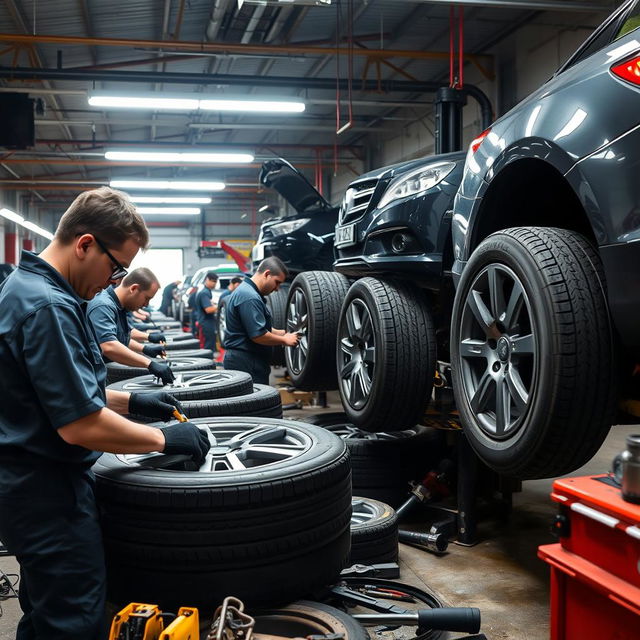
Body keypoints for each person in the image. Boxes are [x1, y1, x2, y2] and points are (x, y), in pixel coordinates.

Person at [0, 186, 210, 640]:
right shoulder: (49, 307)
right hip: (47, 495)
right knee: (74, 620)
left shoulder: (28, 289)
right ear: (85, 244)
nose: (114, 282)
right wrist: (163, 439)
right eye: (116, 268)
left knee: (44, 611)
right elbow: (79, 424)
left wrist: (135, 402)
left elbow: (56, 392)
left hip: (27, 489)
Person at [87, 267, 174, 384]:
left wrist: (146, 349)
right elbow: (109, 346)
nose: (146, 304)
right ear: (134, 288)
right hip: (90, 377)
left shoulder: (118, 307)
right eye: (147, 298)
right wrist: (149, 363)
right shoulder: (103, 305)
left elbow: (121, 339)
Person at [223, 257, 299, 384]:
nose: (277, 289)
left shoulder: (247, 291)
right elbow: (258, 335)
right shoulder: (250, 297)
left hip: (247, 359)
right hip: (246, 361)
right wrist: (284, 340)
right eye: (277, 282)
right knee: (251, 402)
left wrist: (282, 333)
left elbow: (256, 327)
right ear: (267, 274)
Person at [196, 271, 219, 352]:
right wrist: (220, 305)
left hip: (207, 322)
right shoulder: (204, 293)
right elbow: (208, 310)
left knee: (210, 343)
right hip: (205, 323)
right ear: (207, 280)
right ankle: (206, 363)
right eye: (212, 281)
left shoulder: (207, 291)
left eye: (215, 282)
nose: (214, 284)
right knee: (207, 346)